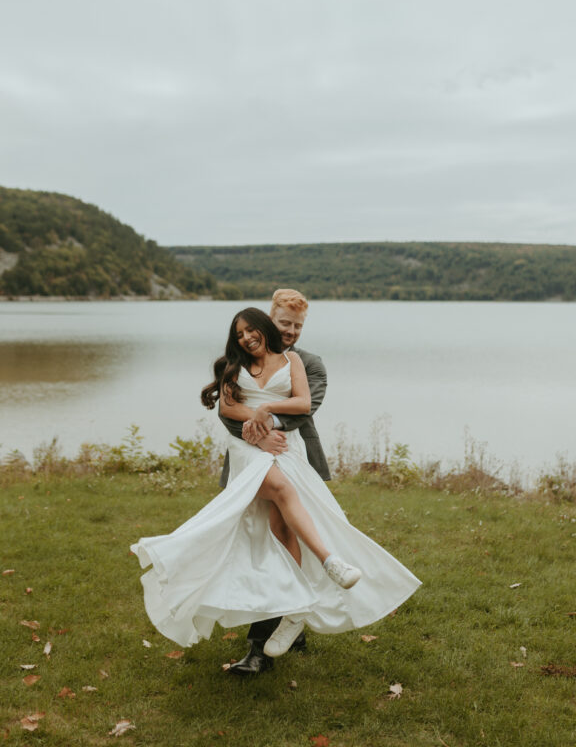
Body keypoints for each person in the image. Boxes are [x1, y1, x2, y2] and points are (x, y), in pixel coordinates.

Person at [130, 307, 421, 663]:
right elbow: (227, 409)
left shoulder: (296, 361)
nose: (247, 338)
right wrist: (256, 423)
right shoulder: (232, 365)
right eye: (240, 334)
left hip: (287, 449)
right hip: (247, 450)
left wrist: (266, 409)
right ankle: (330, 562)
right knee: (282, 493)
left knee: (281, 529)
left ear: (264, 328)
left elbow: (304, 403)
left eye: (251, 331)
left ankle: (295, 607)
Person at [219, 288, 330, 674]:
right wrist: (258, 434)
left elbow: (304, 409)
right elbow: (226, 411)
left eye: (298, 326)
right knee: (258, 544)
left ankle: (273, 637)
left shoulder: (308, 363)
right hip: (252, 459)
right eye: (285, 323)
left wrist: (269, 425)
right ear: (270, 318)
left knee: (286, 539)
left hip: (295, 457)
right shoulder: (242, 361)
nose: (291, 331)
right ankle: (263, 642)